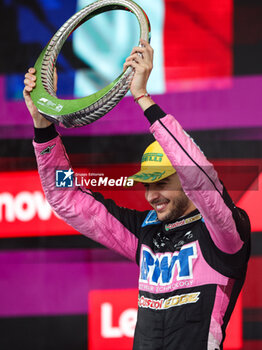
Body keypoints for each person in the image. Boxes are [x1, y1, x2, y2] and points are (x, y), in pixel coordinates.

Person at [23, 40, 250, 350]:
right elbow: (67, 198)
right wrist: (43, 128)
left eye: (161, 182)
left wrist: (142, 98)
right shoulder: (145, 233)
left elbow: (201, 177)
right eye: (147, 184)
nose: (152, 195)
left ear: (184, 179)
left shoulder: (224, 234)